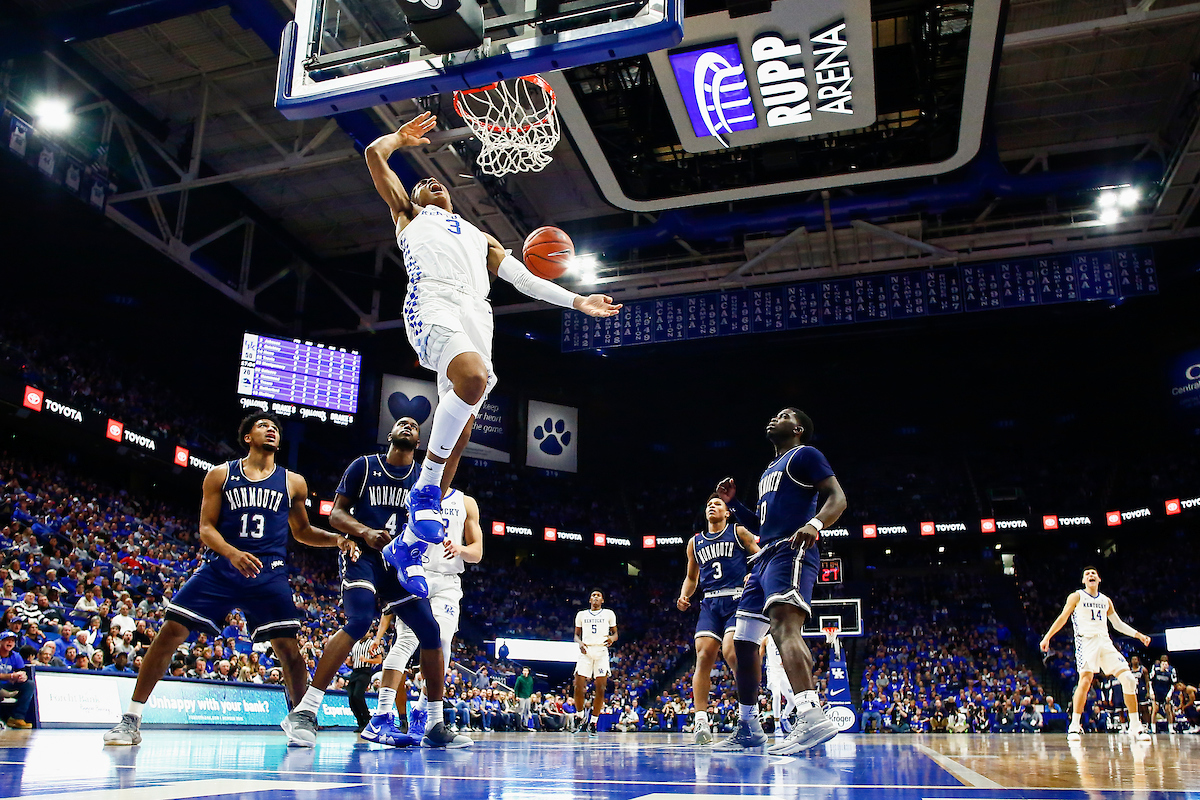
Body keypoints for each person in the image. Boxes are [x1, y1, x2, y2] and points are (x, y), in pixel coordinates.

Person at [364, 112, 620, 597]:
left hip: (477, 315)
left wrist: (577, 301)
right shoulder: (410, 215)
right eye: (422, 184)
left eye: (436, 183)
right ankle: (424, 492)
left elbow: (523, 279)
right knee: (473, 380)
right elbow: (373, 156)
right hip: (432, 299)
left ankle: (408, 545)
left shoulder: (479, 237)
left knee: (459, 436)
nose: (431, 184)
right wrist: (398, 140)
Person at [102, 412, 357, 747]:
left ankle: (301, 718)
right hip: (222, 567)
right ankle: (131, 720)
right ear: (248, 437)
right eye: (263, 426)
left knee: (289, 649)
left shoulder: (294, 482)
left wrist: (336, 539)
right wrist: (233, 553)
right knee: (170, 633)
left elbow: (303, 531)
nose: (271, 430)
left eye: (275, 428)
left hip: (269, 572)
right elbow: (206, 528)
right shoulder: (220, 474)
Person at [294, 417, 466, 748]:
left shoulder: (422, 477)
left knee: (430, 631)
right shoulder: (364, 466)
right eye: (401, 423)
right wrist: (364, 532)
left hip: (399, 561)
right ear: (389, 434)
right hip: (363, 554)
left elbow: (452, 459)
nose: (407, 427)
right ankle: (306, 711)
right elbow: (335, 515)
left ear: (419, 443)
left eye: (414, 427)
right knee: (359, 621)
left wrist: (464, 420)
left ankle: (433, 724)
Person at [713, 407, 847, 754]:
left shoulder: (806, 454)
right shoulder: (767, 471)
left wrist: (815, 525)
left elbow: (838, 498)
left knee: (783, 626)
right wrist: (734, 505)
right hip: (763, 555)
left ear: (798, 428)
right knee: (742, 642)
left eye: (784, 415)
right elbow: (762, 524)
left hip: (791, 548)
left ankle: (810, 714)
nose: (774, 417)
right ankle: (749, 726)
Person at [393, 486, 483, 741]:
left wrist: (460, 549)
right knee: (406, 643)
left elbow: (477, 553)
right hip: (415, 573)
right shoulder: (413, 493)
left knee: (442, 642)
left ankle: (424, 710)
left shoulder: (467, 502)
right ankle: (385, 713)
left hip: (447, 580)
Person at [676, 494, 758, 744]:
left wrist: (752, 575)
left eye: (718, 504)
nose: (712, 506)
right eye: (709, 503)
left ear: (727, 513)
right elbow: (692, 577)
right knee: (703, 655)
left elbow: (759, 557)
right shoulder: (695, 542)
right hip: (710, 601)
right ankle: (701, 719)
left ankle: (749, 713)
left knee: (732, 652)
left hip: (736, 598)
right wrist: (684, 595)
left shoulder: (739, 532)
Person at [1039, 566, 1152, 742]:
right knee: (1085, 681)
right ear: (1083, 581)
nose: (1090, 575)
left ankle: (1135, 726)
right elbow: (1063, 617)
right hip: (1086, 641)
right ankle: (1075, 726)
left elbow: (1118, 624)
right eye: (1087, 574)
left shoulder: (1106, 600)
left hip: (1105, 642)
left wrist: (1138, 635)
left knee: (1129, 679)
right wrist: (1047, 637)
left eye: (1093, 574)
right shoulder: (1076, 596)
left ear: (1099, 579)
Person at [573, 590, 618, 735]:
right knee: (578, 686)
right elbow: (576, 635)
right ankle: (580, 718)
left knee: (601, 688)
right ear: (589, 600)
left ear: (602, 600)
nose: (595, 597)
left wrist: (612, 639)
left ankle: (593, 722)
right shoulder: (581, 614)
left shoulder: (609, 614)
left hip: (601, 651)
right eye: (593, 595)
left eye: (598, 595)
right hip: (586, 650)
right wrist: (579, 643)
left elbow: (616, 634)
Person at [347, 629, 382, 733]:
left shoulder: (372, 644)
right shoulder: (355, 644)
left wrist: (366, 660)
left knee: (358, 695)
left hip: (365, 672)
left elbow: (379, 660)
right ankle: (360, 722)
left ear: (369, 633)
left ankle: (367, 719)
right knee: (351, 698)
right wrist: (349, 662)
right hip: (355, 671)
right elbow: (352, 661)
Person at [0, 631, 33, 728]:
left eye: (12, 641)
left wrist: (23, 677)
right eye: (7, 640)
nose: (10, 643)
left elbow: (21, 672)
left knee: (29, 684)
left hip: (8, 685)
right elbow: (12, 675)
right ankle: (4, 693)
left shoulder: (16, 656)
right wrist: (10, 676)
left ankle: (17, 717)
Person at [1149, 654, 1178, 732]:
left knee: (1168, 710)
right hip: (1156, 693)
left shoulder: (1171, 671)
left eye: (1166, 663)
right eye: (1163, 663)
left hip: (1166, 692)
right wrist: (1151, 692)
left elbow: (1173, 684)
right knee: (1154, 710)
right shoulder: (1155, 669)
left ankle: (1171, 728)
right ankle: (1153, 729)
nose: (1164, 665)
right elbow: (1150, 682)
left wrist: (1169, 695)